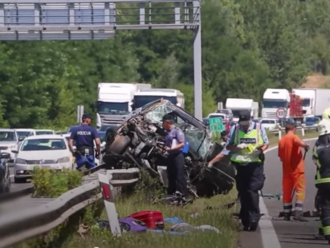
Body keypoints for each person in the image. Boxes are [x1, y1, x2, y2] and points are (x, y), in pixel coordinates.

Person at [225, 110, 269, 231]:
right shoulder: (236, 128)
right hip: (240, 165)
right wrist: (236, 146)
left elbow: (266, 143)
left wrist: (260, 150)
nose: (244, 125)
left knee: (252, 190)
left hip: (255, 165)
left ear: (250, 120)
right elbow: (228, 146)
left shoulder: (259, 127)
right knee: (243, 192)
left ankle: (254, 217)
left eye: (246, 123)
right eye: (242, 122)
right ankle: (245, 219)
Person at [278, 119, 309, 222]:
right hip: (297, 171)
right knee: (300, 190)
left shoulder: (281, 140)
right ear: (294, 128)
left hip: (286, 172)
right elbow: (298, 142)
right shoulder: (294, 137)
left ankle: (287, 213)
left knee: (287, 192)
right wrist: (305, 146)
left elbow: (281, 157)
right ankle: (298, 212)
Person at [312, 108, 330, 244]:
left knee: (324, 205)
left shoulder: (318, 145)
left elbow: (316, 162)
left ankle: (323, 230)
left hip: (322, 180)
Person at [162, 114, 189, 201]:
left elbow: (182, 143)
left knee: (179, 175)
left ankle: (183, 194)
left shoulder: (177, 131)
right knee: (171, 174)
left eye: (163, 123)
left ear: (167, 123)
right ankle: (171, 193)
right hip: (170, 155)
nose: (162, 125)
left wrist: (172, 148)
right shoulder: (168, 132)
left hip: (178, 155)